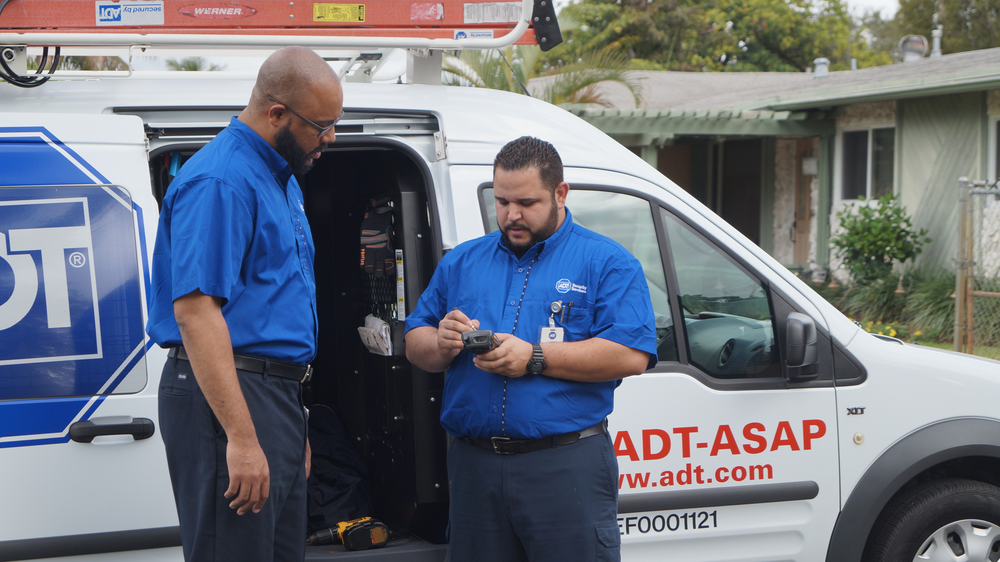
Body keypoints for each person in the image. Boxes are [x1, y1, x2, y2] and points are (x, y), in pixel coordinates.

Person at [405, 136, 658, 562]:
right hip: (474, 467)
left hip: (565, 465)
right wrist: (441, 341)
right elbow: (416, 343)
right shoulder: (461, 262)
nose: (511, 215)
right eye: (501, 201)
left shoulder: (608, 262)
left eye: (527, 202)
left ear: (561, 193)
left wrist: (535, 357)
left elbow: (630, 355)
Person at [146, 46, 342, 562]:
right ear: (277, 114)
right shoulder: (223, 180)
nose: (331, 138)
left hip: (268, 395)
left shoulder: (280, 177)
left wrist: (287, 421)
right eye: (322, 126)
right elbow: (195, 311)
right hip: (230, 395)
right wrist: (243, 437)